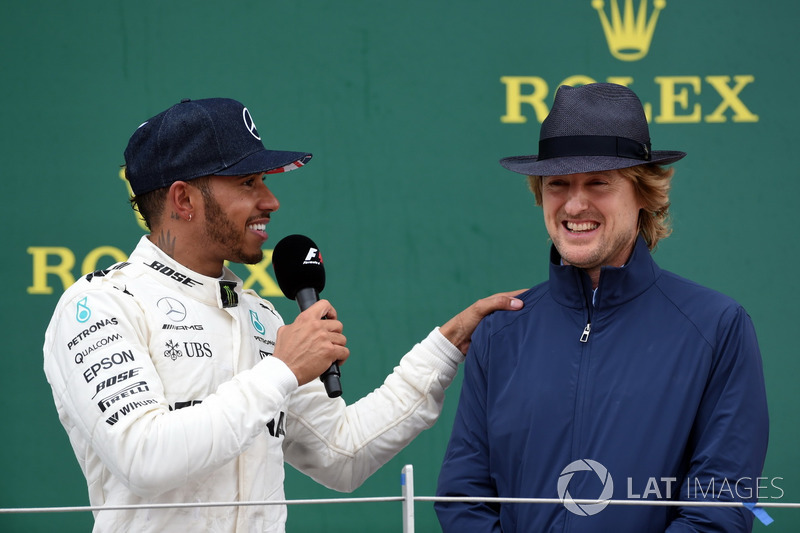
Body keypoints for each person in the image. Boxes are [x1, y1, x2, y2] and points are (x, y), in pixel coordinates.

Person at [42, 97, 523, 533]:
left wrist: (446, 344)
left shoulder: (261, 318)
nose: (270, 201)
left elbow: (342, 454)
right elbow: (143, 457)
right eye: (248, 183)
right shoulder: (100, 306)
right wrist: (282, 370)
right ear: (184, 199)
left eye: (265, 182)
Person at [435, 83, 769, 532]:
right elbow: (463, 500)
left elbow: (719, 508)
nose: (575, 204)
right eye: (558, 184)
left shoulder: (717, 326)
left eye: (598, 182)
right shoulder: (501, 332)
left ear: (644, 194)